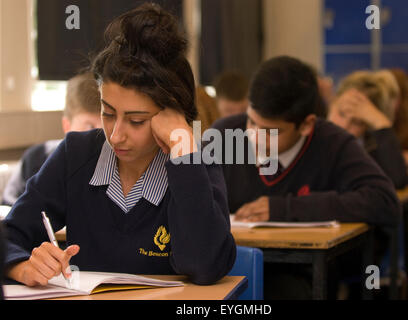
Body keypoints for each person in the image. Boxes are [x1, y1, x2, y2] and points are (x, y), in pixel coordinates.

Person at [3, 2, 235, 287]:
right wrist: (21, 265)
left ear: (172, 114)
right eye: (108, 113)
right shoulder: (76, 154)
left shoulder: (197, 164)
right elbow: (10, 234)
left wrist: (183, 150)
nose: (115, 135)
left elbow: (205, 266)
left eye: (136, 120)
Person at [212, 56, 400, 299]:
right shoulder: (225, 134)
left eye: (271, 132)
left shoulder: (333, 143)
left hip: (300, 273)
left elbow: (385, 202)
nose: (255, 137)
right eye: (251, 121)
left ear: (306, 125)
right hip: (228, 267)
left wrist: (286, 208)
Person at [1, 71, 102, 206]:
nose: (101, 137)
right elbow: (8, 208)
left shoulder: (122, 169)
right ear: (67, 126)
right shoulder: (36, 158)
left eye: (107, 127)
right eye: (90, 126)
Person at [328, 70, 408, 189]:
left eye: (356, 122)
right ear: (332, 105)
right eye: (341, 113)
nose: (344, 125)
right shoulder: (311, 138)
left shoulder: (366, 151)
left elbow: (398, 180)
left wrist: (381, 123)